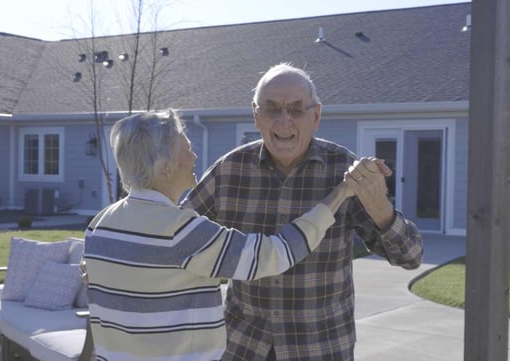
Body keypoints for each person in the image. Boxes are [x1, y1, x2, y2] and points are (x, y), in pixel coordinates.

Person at [180, 63, 424, 361]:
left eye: (296, 109)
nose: (284, 122)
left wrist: (380, 208)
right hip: (242, 347)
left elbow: (410, 257)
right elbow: (178, 236)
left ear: (316, 116)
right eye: (271, 109)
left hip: (319, 348)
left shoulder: (344, 172)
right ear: (256, 115)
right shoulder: (229, 171)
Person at [82, 111, 363, 361]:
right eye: (186, 148)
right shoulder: (180, 232)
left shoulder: (100, 225)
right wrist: (338, 196)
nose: (193, 157)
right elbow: (274, 254)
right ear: (165, 165)